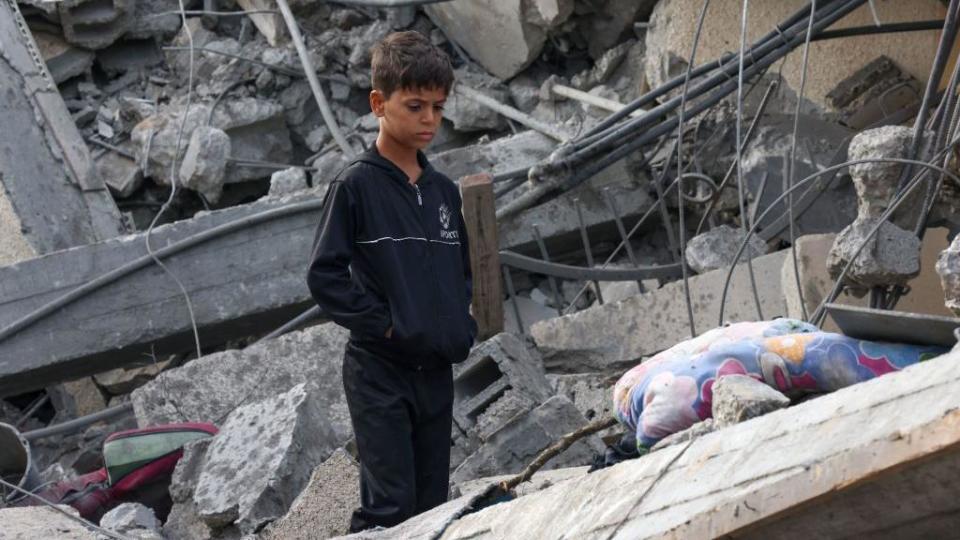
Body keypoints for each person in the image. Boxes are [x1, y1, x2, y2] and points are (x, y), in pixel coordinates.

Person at [306, 31, 476, 532]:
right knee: (389, 507)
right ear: (379, 103)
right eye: (415, 105)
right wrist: (386, 327)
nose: (429, 120)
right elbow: (325, 276)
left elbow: (459, 272)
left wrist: (457, 328)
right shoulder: (355, 185)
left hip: (435, 372)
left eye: (438, 108)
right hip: (380, 370)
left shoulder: (443, 193)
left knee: (432, 506)